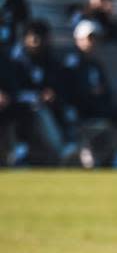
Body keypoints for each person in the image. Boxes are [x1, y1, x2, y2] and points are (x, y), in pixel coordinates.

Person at [10, 19, 75, 164]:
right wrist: (38, 96)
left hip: (40, 105)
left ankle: (70, 144)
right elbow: (13, 90)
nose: (38, 42)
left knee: (64, 108)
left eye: (42, 38)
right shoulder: (15, 61)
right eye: (34, 38)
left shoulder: (48, 60)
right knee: (38, 110)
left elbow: (56, 84)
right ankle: (61, 150)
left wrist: (50, 94)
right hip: (16, 105)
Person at [61, 19, 114, 167]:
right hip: (81, 110)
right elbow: (69, 91)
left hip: (98, 108)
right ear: (78, 39)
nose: (93, 42)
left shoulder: (95, 65)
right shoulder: (71, 63)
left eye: (95, 38)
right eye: (90, 38)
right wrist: (90, 92)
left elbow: (106, 90)